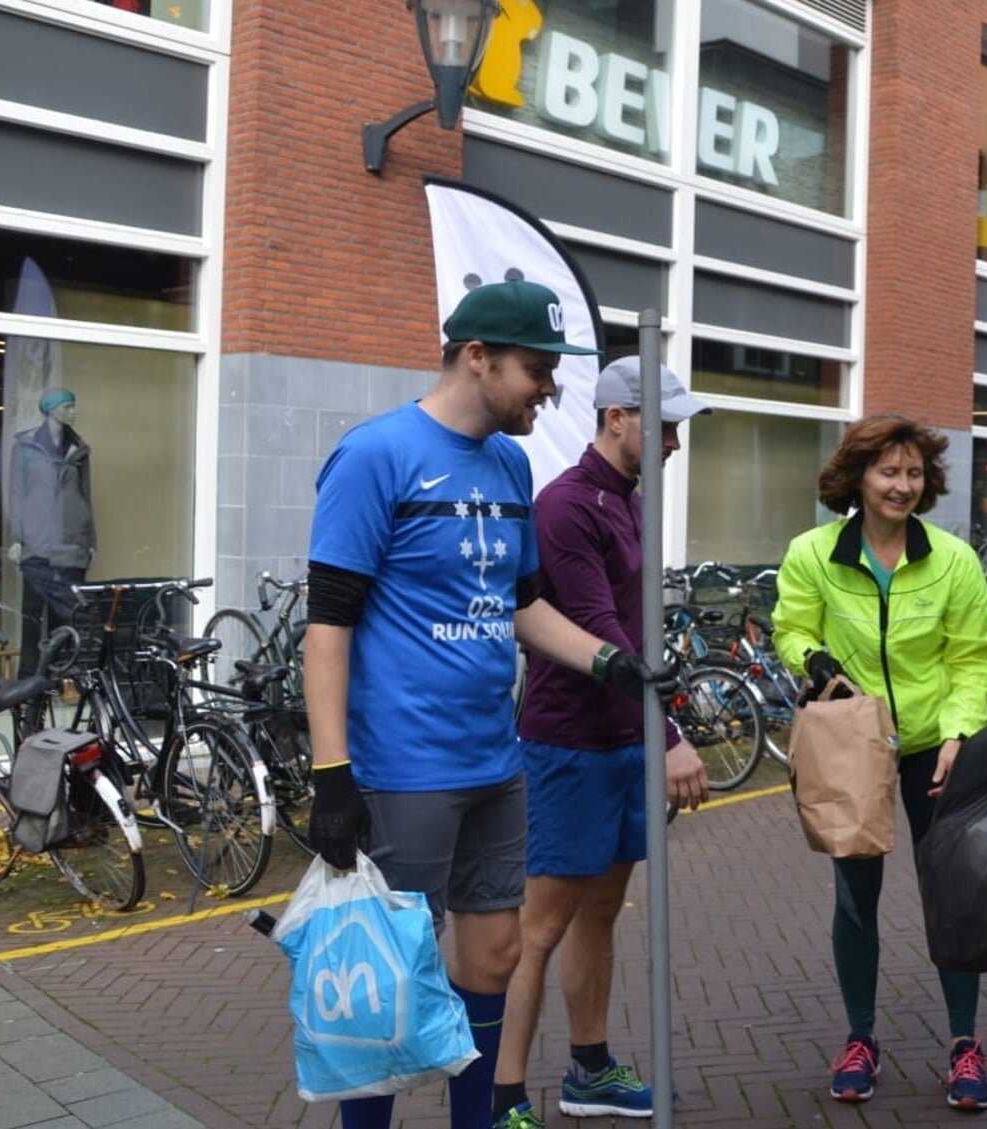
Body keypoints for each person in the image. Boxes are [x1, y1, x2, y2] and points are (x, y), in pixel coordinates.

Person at [304, 280, 669, 1129]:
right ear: (478, 358)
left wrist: (614, 662)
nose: (549, 388)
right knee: (388, 978)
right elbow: (327, 628)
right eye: (537, 370)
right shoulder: (375, 456)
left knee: (495, 954)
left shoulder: (510, 464)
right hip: (403, 766)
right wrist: (331, 773)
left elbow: (523, 603)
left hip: (494, 761)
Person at [493, 356, 713, 1129]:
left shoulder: (633, 502)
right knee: (541, 923)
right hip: (569, 744)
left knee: (601, 913)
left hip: (623, 738)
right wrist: (673, 735)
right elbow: (601, 635)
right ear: (616, 418)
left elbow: (643, 626)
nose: (675, 442)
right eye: (665, 425)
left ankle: (589, 1068)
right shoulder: (565, 507)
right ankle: (504, 1095)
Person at [771, 415, 987, 1112]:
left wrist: (962, 732)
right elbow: (792, 626)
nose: (902, 485)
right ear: (858, 478)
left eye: (912, 473)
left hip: (936, 742)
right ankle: (860, 1038)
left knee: (951, 893)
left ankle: (964, 1042)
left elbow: (972, 656)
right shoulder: (813, 553)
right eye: (888, 471)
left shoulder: (952, 559)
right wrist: (808, 658)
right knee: (855, 894)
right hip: (852, 742)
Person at [8, 388, 95, 677]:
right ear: (52, 410)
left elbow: (86, 495)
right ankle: (29, 677)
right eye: (68, 406)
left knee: (66, 615)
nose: (73, 412)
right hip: (37, 542)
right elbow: (17, 494)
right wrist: (17, 537)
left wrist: (90, 540)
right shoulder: (26, 447)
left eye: (73, 406)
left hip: (71, 544)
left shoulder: (79, 448)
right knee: (32, 613)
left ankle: (58, 678)